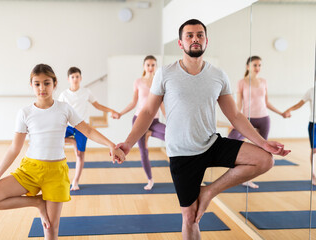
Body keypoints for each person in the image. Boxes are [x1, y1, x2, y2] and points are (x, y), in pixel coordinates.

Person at [116, 19, 290, 240]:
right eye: (189, 35)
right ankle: (203, 197)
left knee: (265, 160)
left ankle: (209, 191)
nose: (195, 38)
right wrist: (128, 143)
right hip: (181, 153)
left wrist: (264, 143)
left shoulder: (218, 75)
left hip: (211, 143)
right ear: (181, 43)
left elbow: (235, 116)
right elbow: (148, 112)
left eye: (199, 35)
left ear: (206, 41)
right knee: (190, 219)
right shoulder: (165, 73)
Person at [0, 64, 125, 240]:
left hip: (56, 173)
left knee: (51, 229)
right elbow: (14, 148)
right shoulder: (25, 112)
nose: (42, 88)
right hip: (30, 171)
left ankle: (41, 205)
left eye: (46, 83)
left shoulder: (64, 108)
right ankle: (37, 202)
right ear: (31, 85)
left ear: (54, 84)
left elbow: (88, 131)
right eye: (37, 84)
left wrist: (111, 145)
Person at [228, 55, 287, 189]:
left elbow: (266, 103)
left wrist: (281, 113)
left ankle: (248, 179)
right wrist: (234, 120)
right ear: (248, 66)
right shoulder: (242, 82)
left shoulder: (264, 81)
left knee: (263, 151)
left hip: (263, 118)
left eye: (259, 65)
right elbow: (239, 103)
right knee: (231, 140)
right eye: (255, 65)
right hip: (247, 118)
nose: (258, 68)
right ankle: (239, 169)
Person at [58, 67, 121, 191]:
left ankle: (75, 181)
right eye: (72, 77)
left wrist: (111, 111)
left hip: (83, 126)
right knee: (54, 138)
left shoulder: (86, 92)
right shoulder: (64, 94)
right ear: (68, 79)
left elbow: (97, 105)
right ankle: (72, 141)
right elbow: (58, 111)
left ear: (80, 78)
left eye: (77, 77)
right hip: (69, 126)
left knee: (80, 154)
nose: (75, 79)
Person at [114, 55, 166, 190]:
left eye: (153, 65)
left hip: (154, 121)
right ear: (144, 66)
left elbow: (162, 105)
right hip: (139, 120)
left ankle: (148, 133)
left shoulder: (159, 81)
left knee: (171, 136)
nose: (150, 67)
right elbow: (134, 102)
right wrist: (120, 113)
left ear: (156, 66)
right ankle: (150, 179)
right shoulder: (138, 82)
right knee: (143, 151)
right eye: (148, 65)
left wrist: (170, 120)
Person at [283, 87, 316, 184]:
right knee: (314, 150)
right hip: (313, 124)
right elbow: (299, 104)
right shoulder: (311, 91)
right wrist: (289, 110)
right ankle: (314, 175)